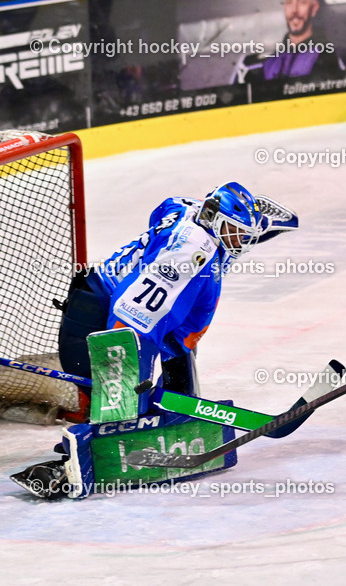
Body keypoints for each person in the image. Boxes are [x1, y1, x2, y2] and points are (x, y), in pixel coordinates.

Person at [11, 182, 298, 498]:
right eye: (236, 232)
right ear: (214, 220)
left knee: (172, 356)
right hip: (96, 324)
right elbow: (128, 318)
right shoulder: (187, 254)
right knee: (124, 407)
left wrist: (260, 223)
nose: (241, 241)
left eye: (245, 234)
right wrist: (128, 379)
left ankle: (166, 410)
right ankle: (65, 468)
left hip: (107, 305)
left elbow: (172, 208)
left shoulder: (198, 215)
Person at [235, 0, 346, 83]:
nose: (294, 10)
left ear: (314, 8)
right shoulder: (267, 62)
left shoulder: (330, 57)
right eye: (289, 2)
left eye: (302, 2)